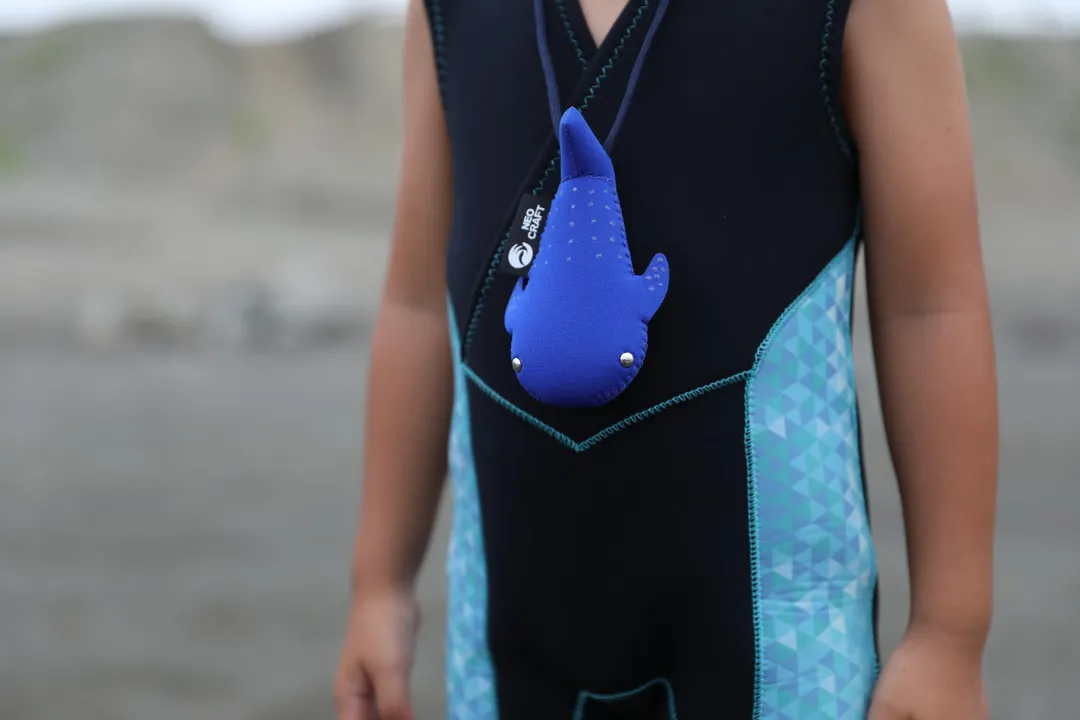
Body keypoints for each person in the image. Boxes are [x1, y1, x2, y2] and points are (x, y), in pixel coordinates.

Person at [335, 0, 998, 717]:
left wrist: (948, 634)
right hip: (506, 647)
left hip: (780, 649)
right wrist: (380, 583)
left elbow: (930, 309)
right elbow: (417, 304)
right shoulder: (448, 12)